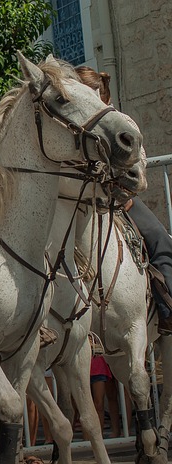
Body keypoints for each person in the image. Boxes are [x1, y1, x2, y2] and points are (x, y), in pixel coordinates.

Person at [75, 65, 172, 336]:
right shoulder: (73, 125)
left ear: (100, 94)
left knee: (159, 239)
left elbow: (138, 170)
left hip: (119, 203)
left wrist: (121, 195)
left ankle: (168, 308)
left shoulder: (124, 123)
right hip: (76, 204)